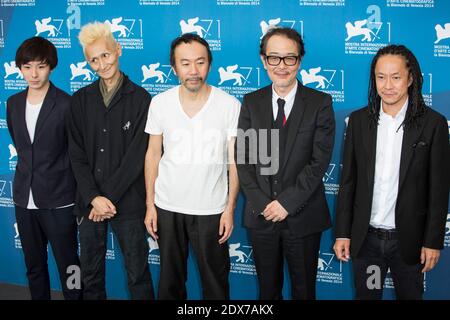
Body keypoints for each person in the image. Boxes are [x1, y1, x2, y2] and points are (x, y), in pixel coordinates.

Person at [334, 44, 450, 300]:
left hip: (408, 244)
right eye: (381, 77)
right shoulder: (359, 121)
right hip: (368, 243)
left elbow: (439, 191)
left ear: (410, 79)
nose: (388, 85)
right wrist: (343, 232)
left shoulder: (433, 124)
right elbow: (348, 182)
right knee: (369, 296)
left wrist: (432, 240)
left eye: (396, 77)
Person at [236, 27, 335, 300]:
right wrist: (264, 204)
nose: (282, 66)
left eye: (289, 58)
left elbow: (319, 161)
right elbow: (243, 159)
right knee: (268, 292)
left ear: (300, 61)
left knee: (304, 292)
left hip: (303, 218)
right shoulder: (252, 102)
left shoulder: (320, 103)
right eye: (274, 58)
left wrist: (286, 204)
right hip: (262, 217)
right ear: (263, 60)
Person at [144, 33, 240, 300]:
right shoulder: (160, 103)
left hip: (211, 210)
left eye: (200, 62)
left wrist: (229, 209)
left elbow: (236, 162)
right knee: (170, 282)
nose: (193, 70)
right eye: (185, 63)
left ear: (209, 64)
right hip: (167, 208)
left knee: (216, 283)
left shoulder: (230, 105)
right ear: (174, 68)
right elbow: (152, 155)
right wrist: (150, 205)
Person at [67, 22, 154, 299]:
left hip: (127, 203)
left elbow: (137, 157)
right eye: (94, 59)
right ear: (87, 63)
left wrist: (106, 199)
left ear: (118, 50)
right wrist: (94, 197)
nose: (101, 64)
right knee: (90, 274)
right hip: (90, 205)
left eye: (105, 55)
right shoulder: (80, 100)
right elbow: (76, 154)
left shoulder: (141, 99)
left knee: (137, 273)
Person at [6, 36, 81, 300]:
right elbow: (24, 146)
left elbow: (75, 152)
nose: (34, 73)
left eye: (40, 66)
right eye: (27, 67)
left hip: (59, 200)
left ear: (51, 66)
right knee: (34, 266)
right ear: (20, 68)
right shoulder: (13, 103)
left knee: (70, 265)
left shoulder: (66, 103)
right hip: (24, 200)